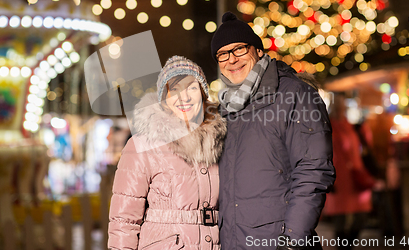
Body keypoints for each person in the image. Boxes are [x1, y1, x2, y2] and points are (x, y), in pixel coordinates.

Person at [210, 12, 335, 250]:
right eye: (222, 54)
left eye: (239, 49)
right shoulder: (224, 109)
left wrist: (293, 240)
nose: (232, 59)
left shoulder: (295, 95)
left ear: (258, 51)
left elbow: (313, 170)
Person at [108, 56, 227, 250]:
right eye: (175, 90)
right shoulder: (142, 145)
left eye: (192, 88)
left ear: (203, 94)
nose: (185, 97)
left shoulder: (218, 141)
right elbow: (124, 220)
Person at [322, 93, 380, 250]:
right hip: (338, 176)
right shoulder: (328, 126)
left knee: (362, 212)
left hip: (355, 174)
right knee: (340, 217)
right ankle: (343, 247)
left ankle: (347, 245)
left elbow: (362, 146)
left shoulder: (350, 125)